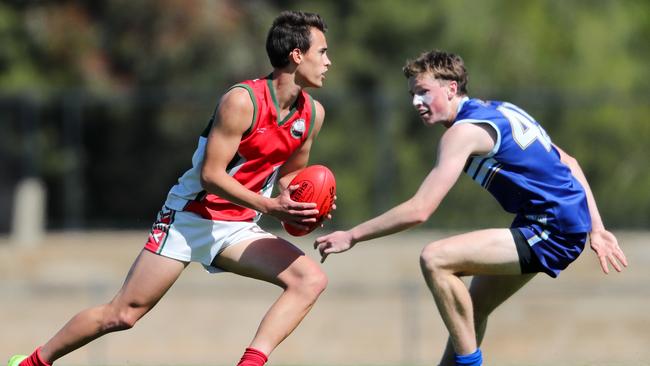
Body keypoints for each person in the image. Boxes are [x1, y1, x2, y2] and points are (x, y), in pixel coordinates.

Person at [9, 10, 332, 366]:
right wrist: (269, 206)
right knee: (123, 314)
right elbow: (211, 175)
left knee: (309, 280)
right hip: (190, 217)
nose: (328, 62)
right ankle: (31, 363)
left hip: (238, 226)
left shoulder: (311, 114)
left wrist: (301, 203)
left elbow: (290, 176)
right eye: (322, 52)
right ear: (296, 55)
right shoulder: (243, 101)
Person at [314, 49, 627, 366]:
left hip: (552, 228)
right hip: (554, 222)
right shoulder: (499, 109)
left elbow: (420, 209)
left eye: (424, 92)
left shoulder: (462, 132)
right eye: (412, 94)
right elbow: (569, 162)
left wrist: (352, 235)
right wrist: (596, 229)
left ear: (451, 88)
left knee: (435, 258)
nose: (415, 102)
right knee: (468, 312)